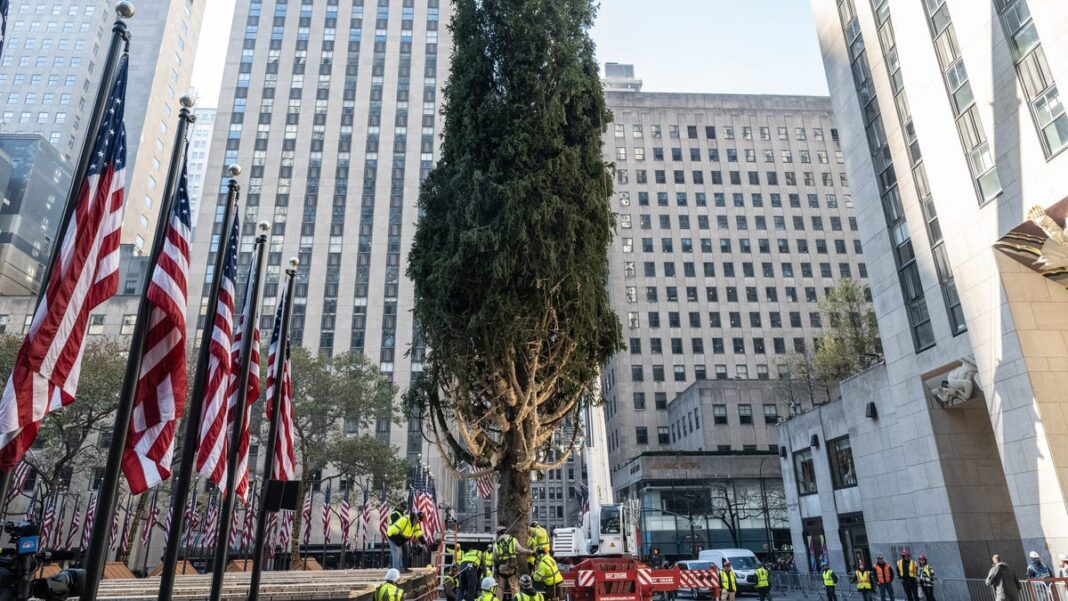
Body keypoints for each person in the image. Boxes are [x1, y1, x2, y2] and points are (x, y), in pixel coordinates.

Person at [494, 526, 532, 601]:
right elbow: (520, 550)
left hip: (502, 569)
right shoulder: (513, 540)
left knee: (500, 587)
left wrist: (496, 567)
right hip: (512, 567)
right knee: (514, 586)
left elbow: (494, 558)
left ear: (498, 534)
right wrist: (530, 552)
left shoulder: (497, 544)